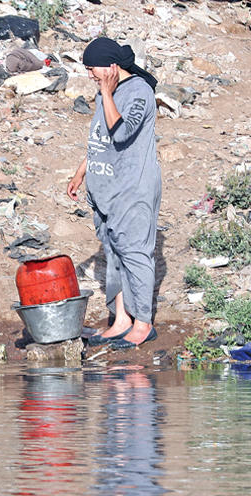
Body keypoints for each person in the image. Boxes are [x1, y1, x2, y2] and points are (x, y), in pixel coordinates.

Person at [66, 37, 161, 349]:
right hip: (104, 190)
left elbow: (120, 132)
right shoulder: (105, 92)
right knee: (113, 254)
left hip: (132, 190)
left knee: (135, 254)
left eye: (94, 70)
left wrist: (107, 93)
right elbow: (101, 138)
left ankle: (143, 323)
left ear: (112, 66)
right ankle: (121, 319)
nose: (92, 76)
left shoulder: (139, 93)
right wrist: (82, 171)